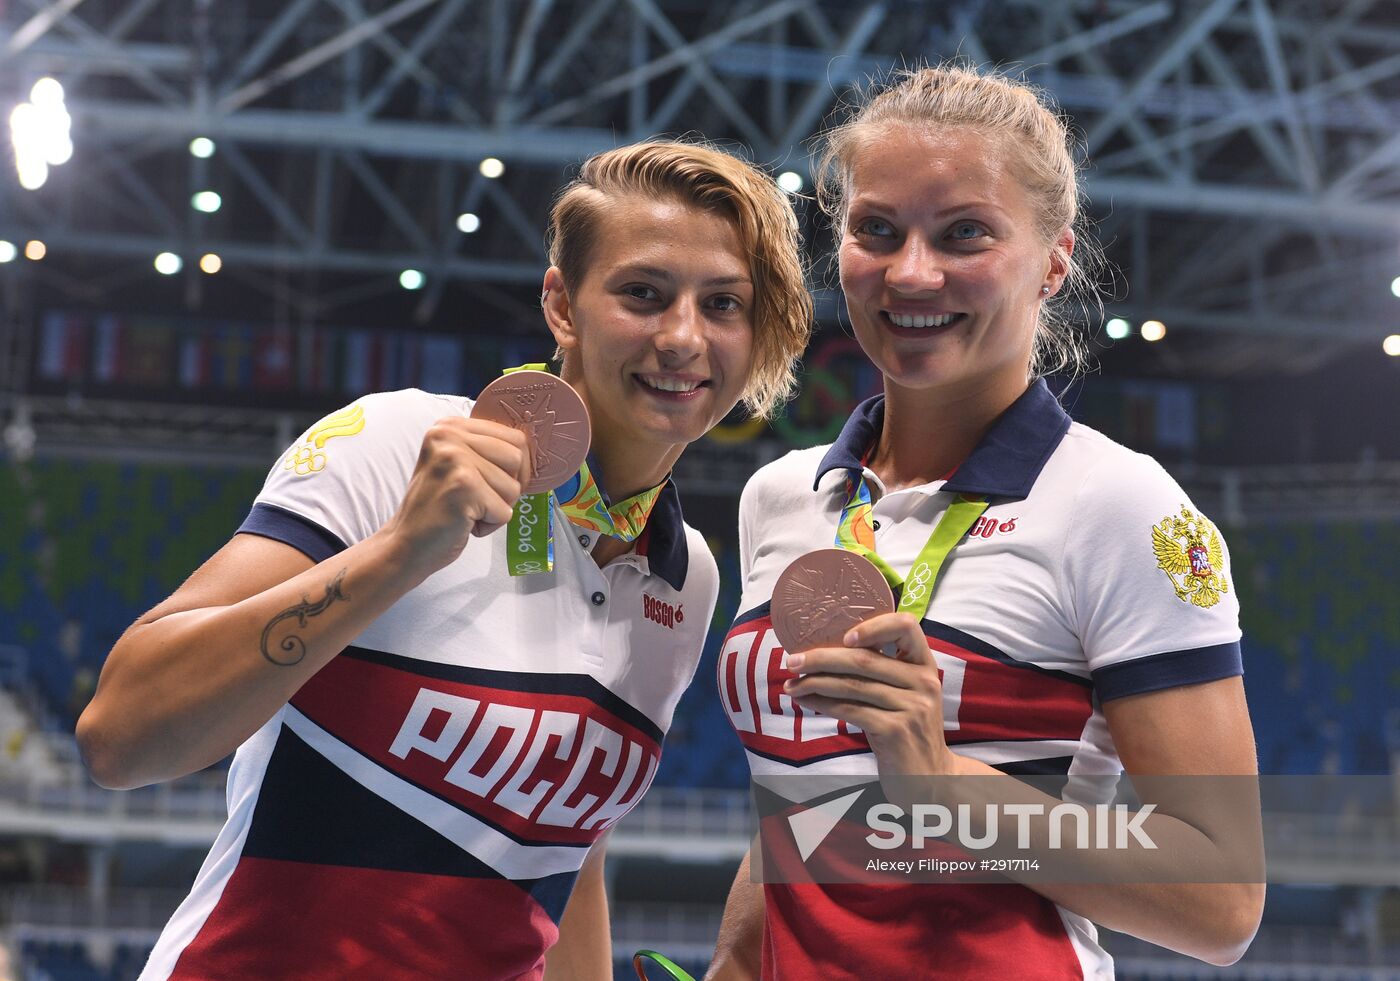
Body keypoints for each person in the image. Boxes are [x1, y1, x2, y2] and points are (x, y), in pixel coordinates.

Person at [76, 139, 812, 981]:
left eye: (723, 304)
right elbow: (119, 736)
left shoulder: (689, 581)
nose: (682, 336)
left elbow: (569, 854)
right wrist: (398, 551)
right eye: (643, 293)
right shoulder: (400, 446)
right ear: (563, 305)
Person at [706, 64, 1264, 980]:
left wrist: (943, 785)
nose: (912, 271)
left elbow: (1222, 904)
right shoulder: (783, 495)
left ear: (1054, 260)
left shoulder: (1120, 506)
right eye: (876, 230)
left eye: (964, 233)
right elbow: (797, 804)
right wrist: (732, 961)